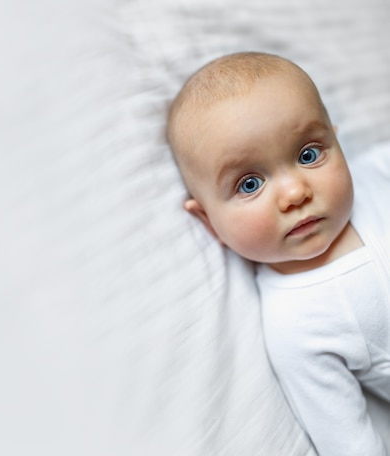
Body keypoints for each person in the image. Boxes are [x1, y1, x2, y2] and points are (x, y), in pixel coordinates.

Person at [166, 51, 390, 455]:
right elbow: (349, 440)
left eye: (309, 155)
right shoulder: (297, 327)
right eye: (249, 184)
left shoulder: (378, 172)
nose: (294, 193)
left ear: (337, 142)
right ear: (209, 222)